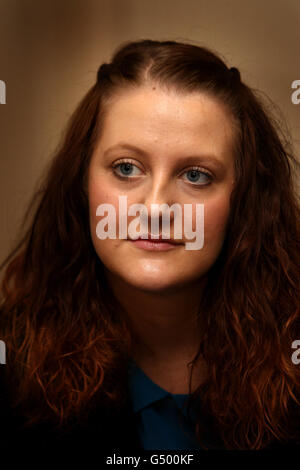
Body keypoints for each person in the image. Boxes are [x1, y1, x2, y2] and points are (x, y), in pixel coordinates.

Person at [0, 39, 300, 455]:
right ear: (82, 183)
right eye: (126, 168)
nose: (156, 207)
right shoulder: (13, 368)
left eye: (196, 175)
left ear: (244, 200)